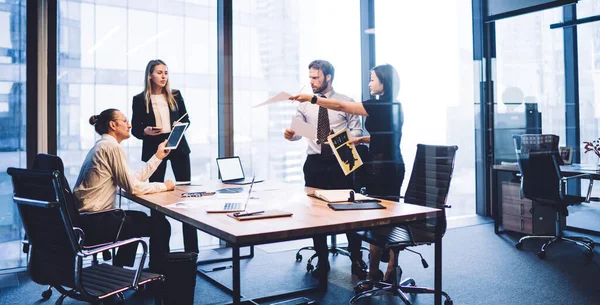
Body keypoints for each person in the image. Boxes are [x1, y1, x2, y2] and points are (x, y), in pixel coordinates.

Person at [290, 63, 405, 282]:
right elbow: (389, 135)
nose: (369, 83)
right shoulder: (394, 104)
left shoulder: (373, 105)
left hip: (376, 167)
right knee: (389, 216)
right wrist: (362, 140)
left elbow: (341, 107)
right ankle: (390, 266)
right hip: (390, 163)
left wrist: (312, 99)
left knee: (378, 217)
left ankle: (370, 269)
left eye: (372, 79)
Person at [284, 59, 367, 279]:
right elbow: (299, 131)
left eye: (315, 77)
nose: (311, 81)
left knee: (350, 210)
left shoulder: (346, 102)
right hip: (315, 163)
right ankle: (322, 259)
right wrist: (292, 135)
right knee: (315, 214)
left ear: (328, 77)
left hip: (342, 160)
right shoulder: (304, 104)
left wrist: (342, 140)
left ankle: (356, 257)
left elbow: (357, 132)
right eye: (310, 77)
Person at [73, 108, 174, 271]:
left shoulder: (102, 146)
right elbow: (133, 188)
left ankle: (120, 271)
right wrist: (164, 186)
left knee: (139, 219)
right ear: (113, 125)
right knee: (160, 226)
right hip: (95, 222)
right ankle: (159, 275)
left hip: (87, 220)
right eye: (125, 120)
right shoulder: (112, 148)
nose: (130, 125)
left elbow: (130, 179)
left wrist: (158, 157)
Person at [132, 59, 199, 255]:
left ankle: (191, 252)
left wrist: (177, 131)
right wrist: (145, 131)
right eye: (159, 72)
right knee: (156, 198)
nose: (163, 76)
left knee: (187, 196)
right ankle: (159, 253)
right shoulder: (139, 99)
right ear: (149, 75)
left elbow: (186, 119)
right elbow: (135, 129)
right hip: (155, 149)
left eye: (166, 73)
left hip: (177, 145)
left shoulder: (175, 95)